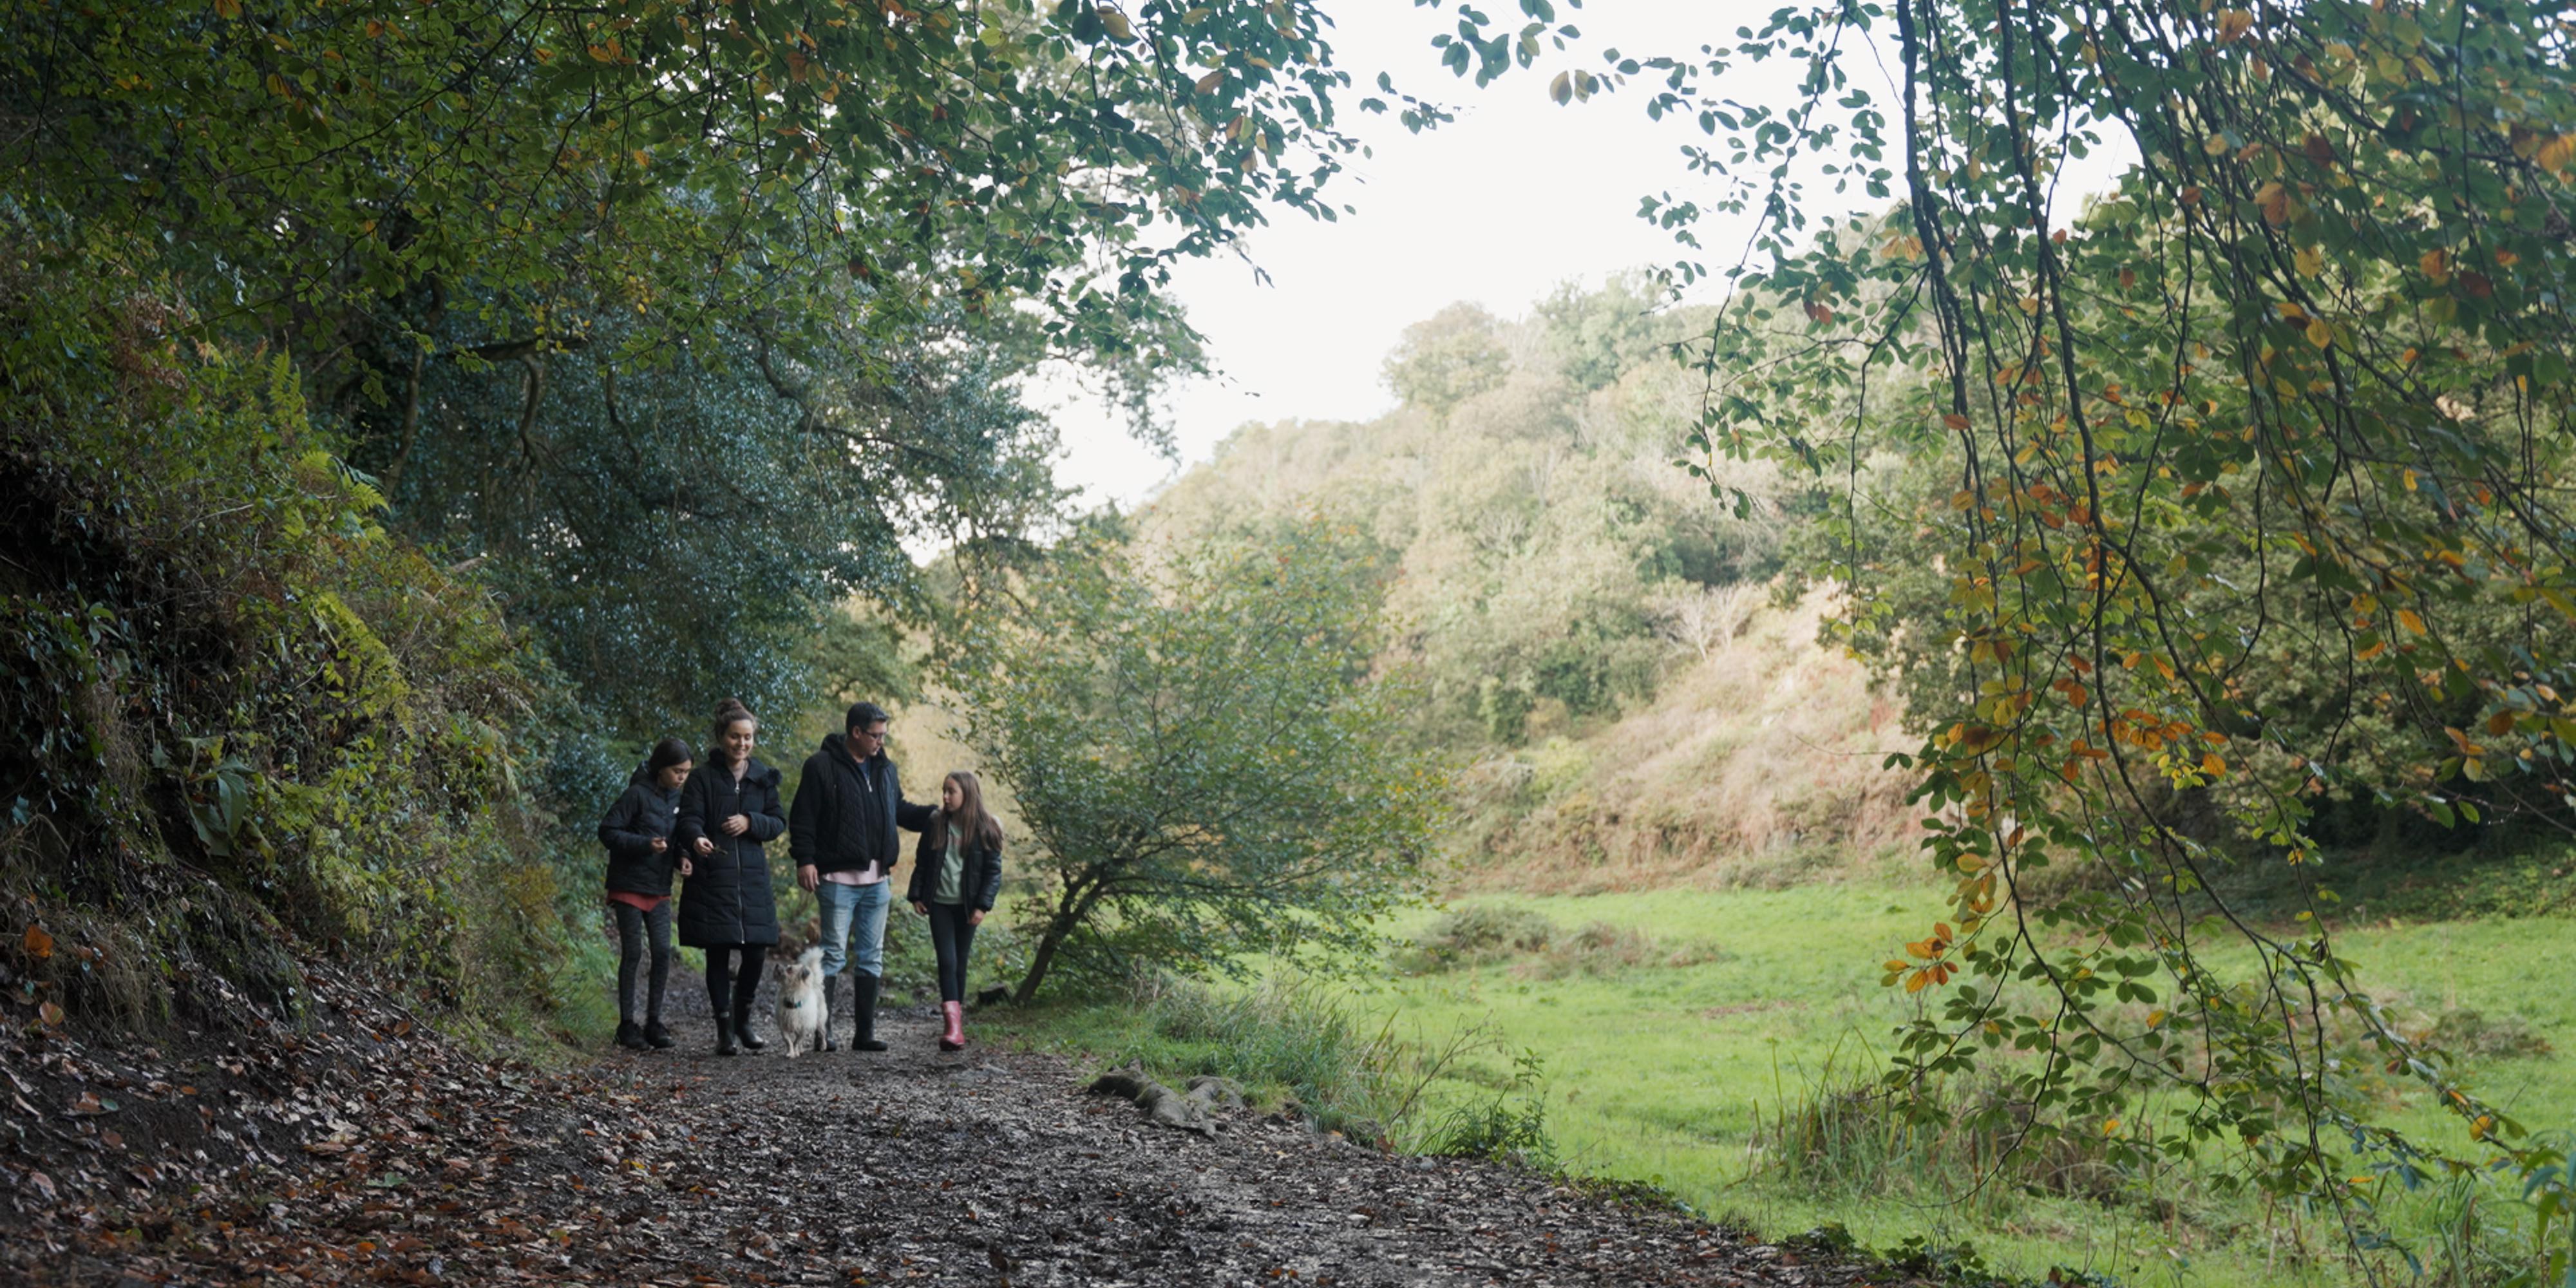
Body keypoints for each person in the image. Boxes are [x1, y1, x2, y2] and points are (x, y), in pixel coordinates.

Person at [788, 701, 933, 1054]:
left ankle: (864, 1034)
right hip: (837, 880)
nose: (881, 742)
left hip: (877, 880)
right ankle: (825, 1033)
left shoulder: (885, 769)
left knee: (872, 956)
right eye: (875, 735)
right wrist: (805, 860)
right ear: (856, 732)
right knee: (834, 957)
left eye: (884, 735)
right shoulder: (820, 767)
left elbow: (898, 810)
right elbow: (803, 818)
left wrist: (936, 814)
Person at [676, 697, 788, 1056]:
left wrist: (752, 821)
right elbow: (688, 819)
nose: (742, 744)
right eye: (736, 737)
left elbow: (778, 823)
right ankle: (724, 1029)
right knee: (718, 953)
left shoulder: (764, 777)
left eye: (748, 738)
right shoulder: (702, 778)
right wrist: (697, 837)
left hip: (753, 878)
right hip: (713, 876)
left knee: (756, 952)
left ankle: (744, 1020)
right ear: (721, 736)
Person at [597, 737, 696, 1050]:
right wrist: (644, 844)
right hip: (628, 885)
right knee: (634, 953)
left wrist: (682, 857)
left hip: (659, 888)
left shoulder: (677, 800)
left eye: (686, 772)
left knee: (663, 952)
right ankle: (627, 1025)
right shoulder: (636, 794)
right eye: (677, 771)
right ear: (661, 769)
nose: (682, 777)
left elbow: (679, 836)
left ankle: (654, 1022)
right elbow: (608, 831)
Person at [906, 770, 1004, 1052]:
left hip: (967, 907)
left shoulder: (987, 828)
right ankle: (952, 1028)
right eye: (944, 791)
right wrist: (917, 894)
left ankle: (957, 1025)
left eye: (952, 792)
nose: (945, 797)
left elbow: (993, 873)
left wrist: (982, 906)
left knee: (960, 962)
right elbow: (922, 862)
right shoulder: (936, 823)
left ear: (968, 795)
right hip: (939, 904)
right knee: (947, 961)